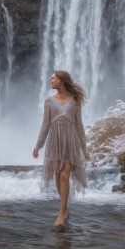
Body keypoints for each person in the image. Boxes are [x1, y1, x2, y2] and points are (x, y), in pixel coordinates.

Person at [33, 70, 90, 228]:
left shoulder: (75, 100)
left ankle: (62, 212)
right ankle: (65, 209)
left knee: (65, 175)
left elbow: (79, 126)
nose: (50, 81)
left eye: (53, 78)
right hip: (54, 142)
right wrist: (38, 145)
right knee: (58, 175)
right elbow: (45, 126)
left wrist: (84, 148)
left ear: (62, 81)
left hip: (70, 141)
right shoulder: (49, 102)